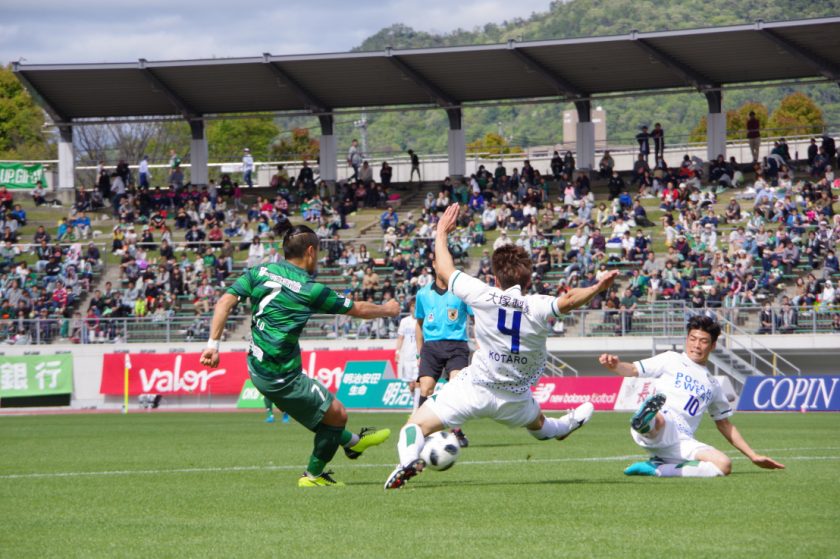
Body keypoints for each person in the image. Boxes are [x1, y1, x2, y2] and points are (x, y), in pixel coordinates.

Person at [385, 203, 618, 489]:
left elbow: (445, 268)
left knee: (414, 426)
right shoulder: (537, 305)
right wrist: (597, 288)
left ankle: (406, 461)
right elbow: (568, 301)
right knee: (541, 427)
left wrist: (441, 232)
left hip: (475, 387)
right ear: (528, 279)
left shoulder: (482, 294)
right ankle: (566, 426)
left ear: (495, 277)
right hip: (515, 396)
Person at [200, 224, 398, 487]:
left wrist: (213, 345)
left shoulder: (259, 271)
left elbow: (224, 302)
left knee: (325, 419)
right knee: (337, 415)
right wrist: (387, 309)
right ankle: (313, 476)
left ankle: (353, 444)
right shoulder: (310, 289)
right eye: (318, 253)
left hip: (258, 367)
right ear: (310, 251)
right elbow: (358, 308)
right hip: (280, 374)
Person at [598, 315, 785, 478]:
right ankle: (646, 422)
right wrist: (615, 366)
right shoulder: (671, 359)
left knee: (723, 465)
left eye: (703, 341)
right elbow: (632, 369)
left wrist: (753, 455)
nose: (696, 345)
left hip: (682, 441)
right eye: (693, 339)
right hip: (661, 425)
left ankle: (657, 468)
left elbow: (725, 424)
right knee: (661, 418)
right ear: (686, 339)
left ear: (712, 345)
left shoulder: (713, 385)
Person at [413, 248, 474, 448]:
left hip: (457, 345)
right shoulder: (423, 294)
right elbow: (419, 325)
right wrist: (419, 353)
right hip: (431, 347)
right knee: (426, 387)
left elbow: (477, 318)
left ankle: (455, 430)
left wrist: (482, 344)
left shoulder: (462, 292)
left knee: (455, 386)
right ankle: (419, 430)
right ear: (434, 265)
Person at [395, 299, 420, 409]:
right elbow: (400, 338)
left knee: (418, 382)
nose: (414, 309)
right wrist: (397, 352)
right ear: (410, 308)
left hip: (418, 357)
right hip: (407, 357)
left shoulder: (422, 321)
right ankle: (414, 400)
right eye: (413, 306)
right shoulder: (404, 321)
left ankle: (416, 409)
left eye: (416, 306)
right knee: (411, 385)